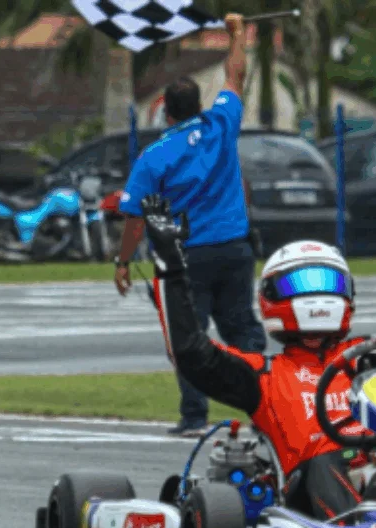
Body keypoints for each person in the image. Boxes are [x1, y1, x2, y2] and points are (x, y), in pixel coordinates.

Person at [138, 193, 376, 520]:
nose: (317, 295)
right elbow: (191, 352)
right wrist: (170, 267)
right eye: (301, 284)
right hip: (312, 500)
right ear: (272, 296)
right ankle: (367, 525)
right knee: (326, 461)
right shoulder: (263, 376)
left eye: (328, 283)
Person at [113, 12, 267, 437]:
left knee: (189, 336)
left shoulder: (154, 157)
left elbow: (135, 218)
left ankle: (194, 417)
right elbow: (235, 75)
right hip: (234, 249)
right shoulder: (221, 125)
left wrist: (122, 262)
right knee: (243, 333)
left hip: (186, 258)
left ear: (165, 113)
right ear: (200, 105)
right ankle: (265, 408)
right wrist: (236, 34)